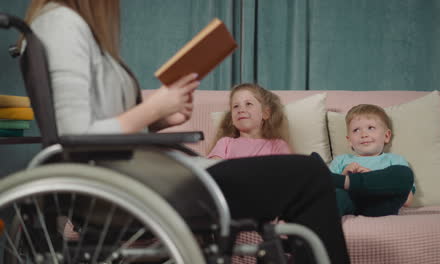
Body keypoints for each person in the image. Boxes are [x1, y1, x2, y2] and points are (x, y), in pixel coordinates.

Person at [23, 1, 350, 263]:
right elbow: (75, 135)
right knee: (309, 173)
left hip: (146, 176)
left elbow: (101, 126)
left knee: (309, 172)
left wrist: (160, 120)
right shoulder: (61, 24)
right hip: (137, 187)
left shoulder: (76, 28)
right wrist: (153, 107)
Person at [329, 104, 415, 217]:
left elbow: (407, 200)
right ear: (349, 140)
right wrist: (344, 174)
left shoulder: (394, 160)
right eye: (356, 130)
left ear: (387, 136)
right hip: (351, 202)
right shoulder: (341, 160)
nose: (364, 134)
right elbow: (327, 193)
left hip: (381, 204)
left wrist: (371, 179)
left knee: (404, 173)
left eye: (371, 128)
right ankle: (343, 181)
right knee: (334, 193)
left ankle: (345, 181)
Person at [208, 83, 291, 159]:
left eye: (248, 104)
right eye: (236, 106)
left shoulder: (277, 145)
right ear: (232, 119)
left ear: (265, 113)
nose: (241, 110)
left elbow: (286, 171)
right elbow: (213, 169)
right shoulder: (225, 143)